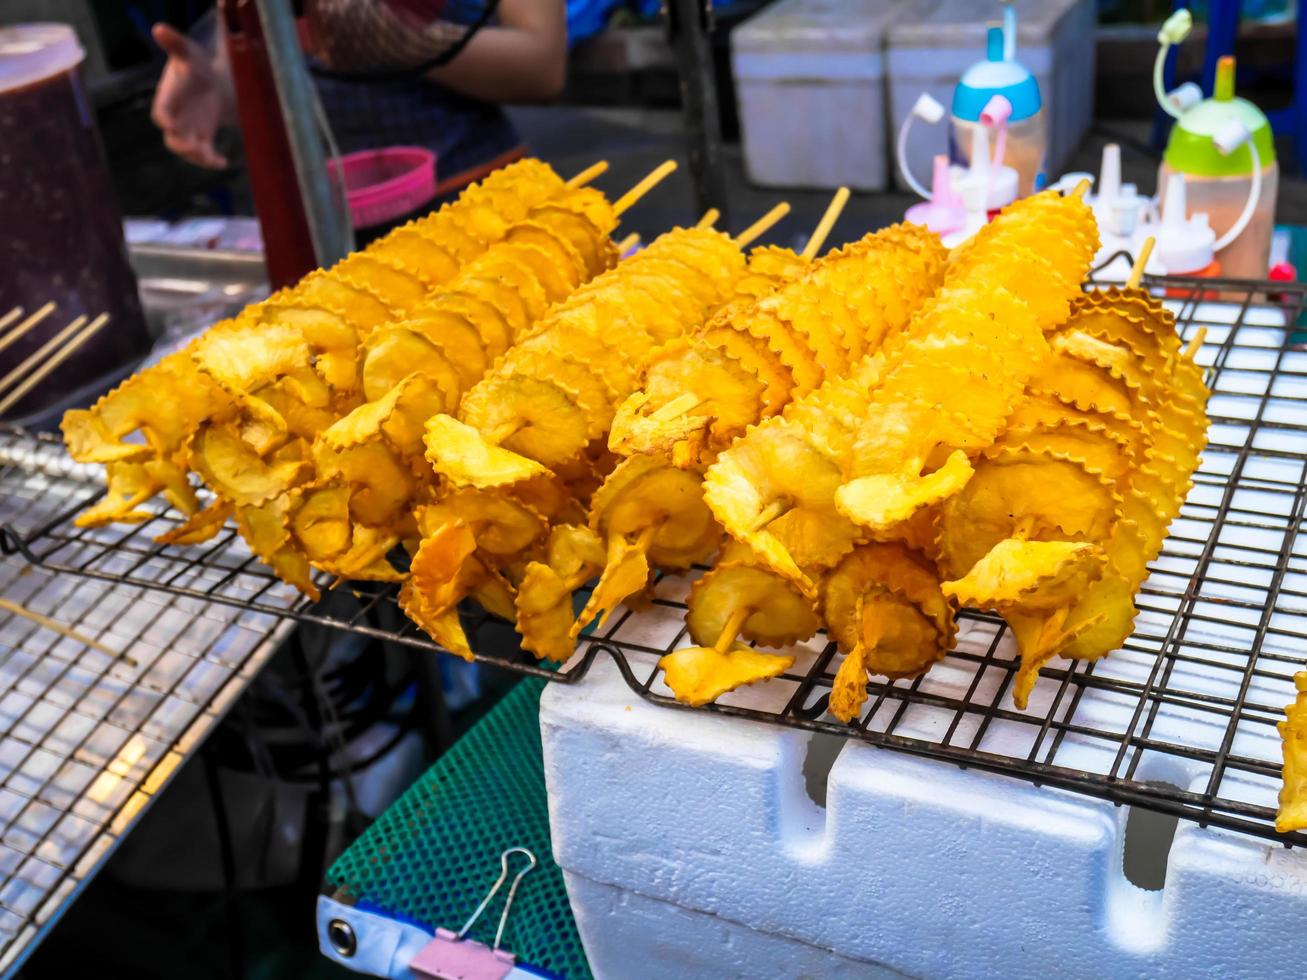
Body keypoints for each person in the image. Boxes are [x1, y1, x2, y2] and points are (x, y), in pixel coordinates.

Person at [150, 0, 566, 199]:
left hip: (472, 193)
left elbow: (542, 67)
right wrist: (219, 82)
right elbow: (270, 50)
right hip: (323, 220)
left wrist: (402, 43)